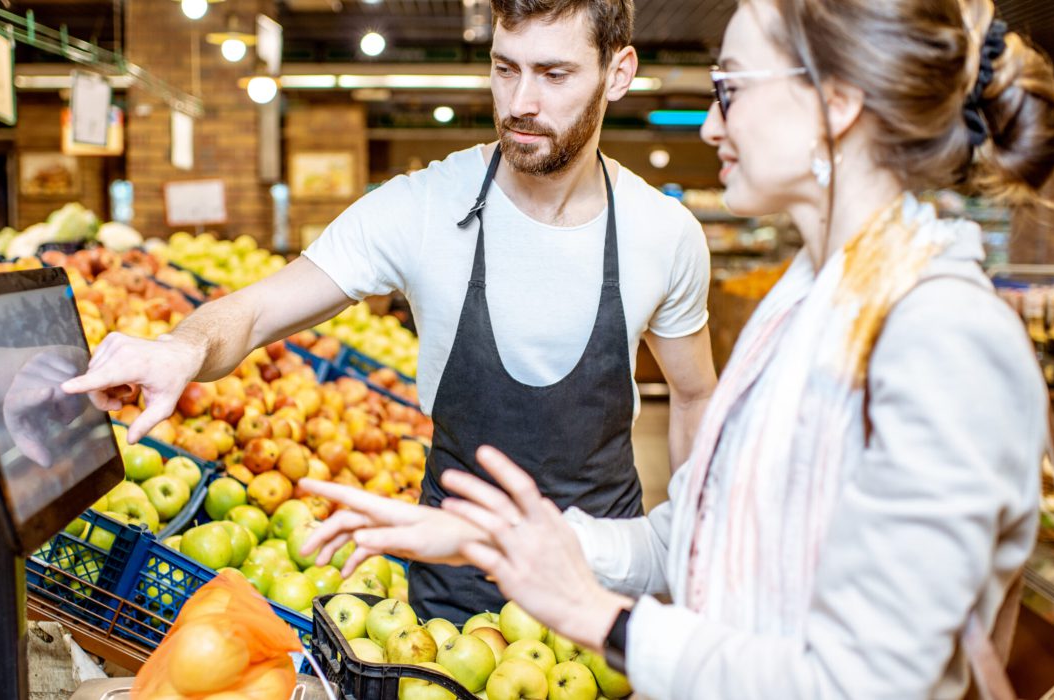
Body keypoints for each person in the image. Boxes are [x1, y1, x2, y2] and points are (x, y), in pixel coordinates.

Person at [299, 0, 1054, 695]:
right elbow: (695, 529)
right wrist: (488, 537)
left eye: (730, 87)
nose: (708, 124)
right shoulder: (812, 301)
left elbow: (863, 681)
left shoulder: (942, 337)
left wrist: (603, 620)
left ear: (835, 103)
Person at [62, 0, 718, 623]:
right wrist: (182, 347)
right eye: (504, 67)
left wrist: (692, 567)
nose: (520, 102)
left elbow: (692, 398)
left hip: (603, 587)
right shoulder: (424, 207)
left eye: (554, 74)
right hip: (455, 600)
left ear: (619, 73)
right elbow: (257, 310)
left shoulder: (663, 234)